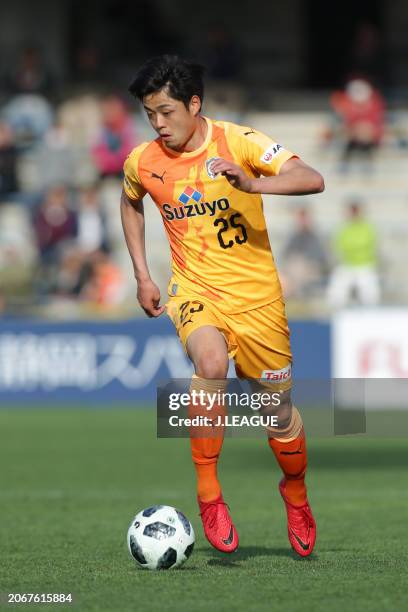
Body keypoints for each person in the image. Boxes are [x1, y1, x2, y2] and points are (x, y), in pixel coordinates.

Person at [120, 55, 324, 557]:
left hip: (258, 302)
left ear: (195, 103)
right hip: (195, 293)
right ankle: (209, 494)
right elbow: (129, 200)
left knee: (276, 412)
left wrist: (254, 184)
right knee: (210, 364)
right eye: (150, 114)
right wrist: (143, 274)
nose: (159, 123)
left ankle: (295, 492)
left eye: (166, 111)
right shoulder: (143, 160)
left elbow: (311, 177)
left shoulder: (241, 142)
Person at [327, 201, 380, 308]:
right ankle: (337, 315)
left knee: (370, 293)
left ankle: (371, 315)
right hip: (347, 265)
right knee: (336, 292)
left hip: (365, 265)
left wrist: (354, 249)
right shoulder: (343, 228)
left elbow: (369, 246)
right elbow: (339, 247)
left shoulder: (368, 228)